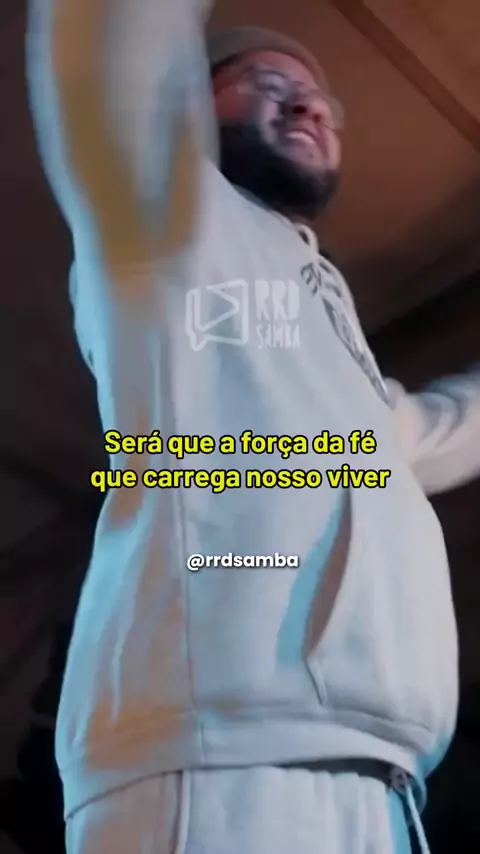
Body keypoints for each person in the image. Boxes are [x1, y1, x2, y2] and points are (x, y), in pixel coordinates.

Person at [26, 2, 480, 852]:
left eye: (321, 99)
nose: (307, 103)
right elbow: (115, 36)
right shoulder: (169, 223)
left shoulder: (338, 371)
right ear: (190, 106)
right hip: (223, 765)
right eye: (266, 80)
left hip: (385, 789)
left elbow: (446, 427)